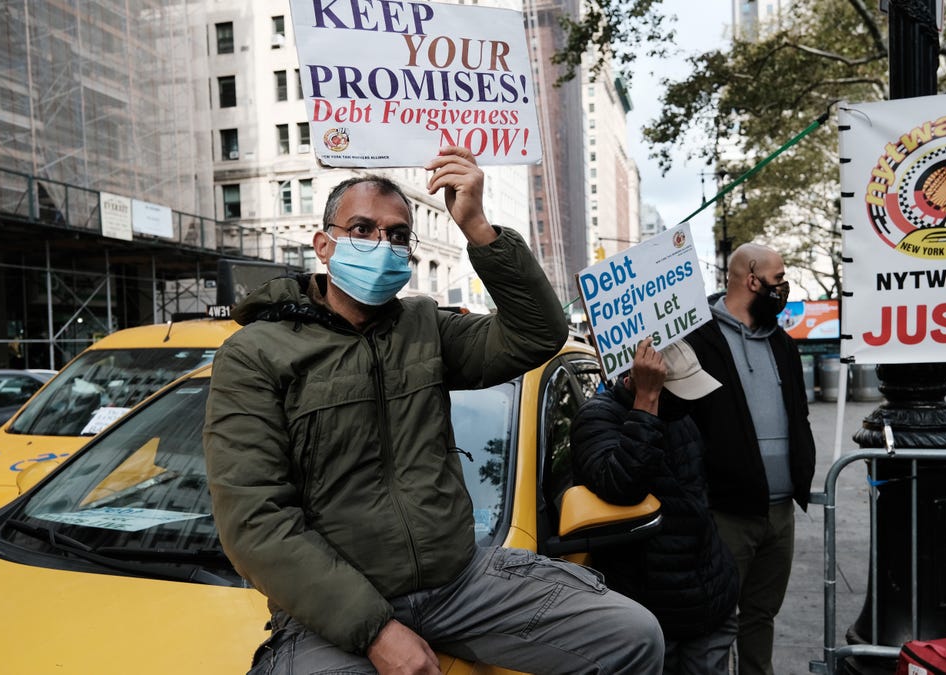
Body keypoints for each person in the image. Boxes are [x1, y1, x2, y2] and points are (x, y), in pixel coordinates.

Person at [203, 146, 664, 675]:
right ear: (324, 245)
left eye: (398, 234)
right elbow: (255, 519)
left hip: (459, 583)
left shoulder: (426, 326)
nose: (383, 244)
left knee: (633, 636)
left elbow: (537, 334)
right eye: (363, 229)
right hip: (331, 610)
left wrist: (477, 226)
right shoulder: (256, 353)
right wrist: (374, 630)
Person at [571, 337, 740, 675]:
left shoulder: (677, 414)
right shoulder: (598, 417)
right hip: (654, 612)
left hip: (708, 599)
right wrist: (646, 402)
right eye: (676, 393)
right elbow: (623, 486)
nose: (686, 403)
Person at [686, 242, 816, 675]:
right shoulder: (698, 340)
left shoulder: (781, 342)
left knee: (761, 616)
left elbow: (797, 412)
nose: (784, 288)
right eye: (778, 280)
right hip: (725, 513)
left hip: (780, 513)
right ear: (751, 280)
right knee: (716, 621)